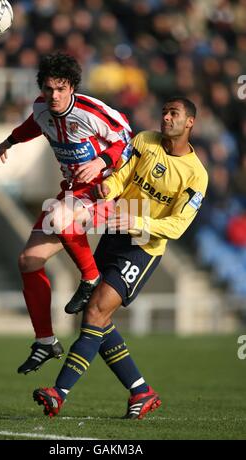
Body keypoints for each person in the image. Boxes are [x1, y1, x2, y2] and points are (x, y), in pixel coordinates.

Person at [32, 97, 209, 419]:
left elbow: (178, 225)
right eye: (165, 111)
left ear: (190, 123)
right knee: (98, 316)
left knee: (96, 311)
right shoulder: (144, 140)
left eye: (174, 113)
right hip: (117, 227)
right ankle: (141, 391)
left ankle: (59, 393)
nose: (166, 117)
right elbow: (121, 175)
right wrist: (108, 189)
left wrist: (138, 222)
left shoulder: (196, 175)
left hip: (143, 244)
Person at [0, 53, 132, 374]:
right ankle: (45, 341)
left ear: (72, 88)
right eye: (49, 88)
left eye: (61, 89)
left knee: (61, 215)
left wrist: (102, 162)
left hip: (107, 190)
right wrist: (8, 142)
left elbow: (126, 138)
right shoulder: (42, 108)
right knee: (29, 260)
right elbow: (33, 126)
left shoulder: (91, 111)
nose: (54, 95)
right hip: (71, 193)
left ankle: (91, 278)